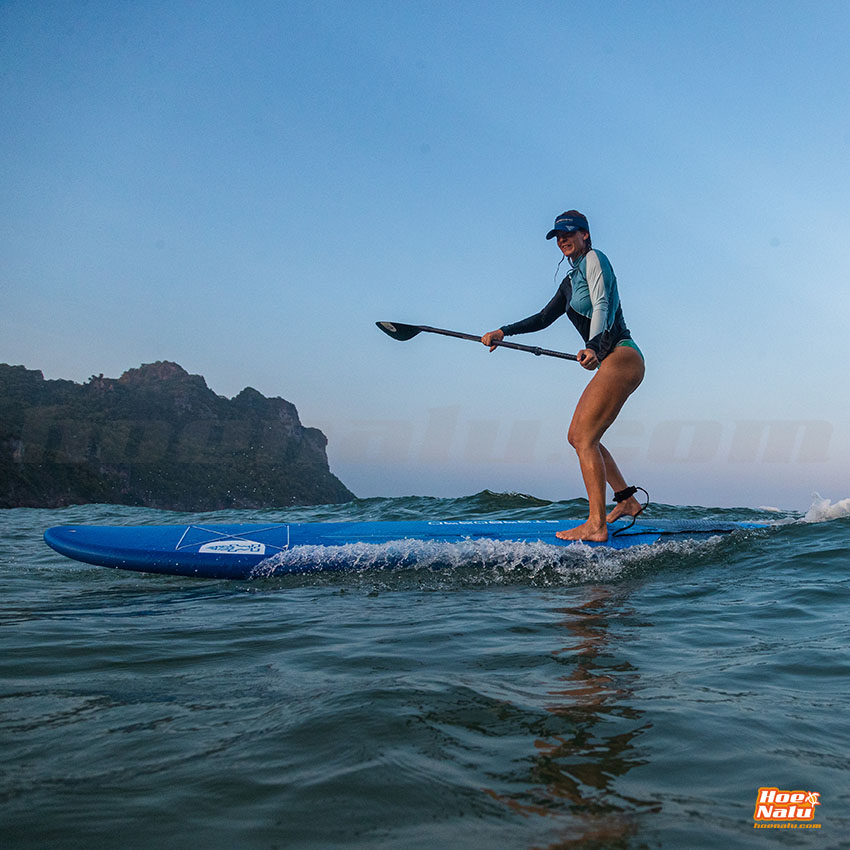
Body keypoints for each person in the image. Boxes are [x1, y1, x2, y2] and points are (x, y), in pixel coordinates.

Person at [481, 210, 645, 542]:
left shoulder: (595, 259)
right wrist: (504, 331)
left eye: (568, 232)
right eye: (557, 236)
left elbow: (602, 303)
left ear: (585, 234)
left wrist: (594, 347)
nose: (562, 239)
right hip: (610, 360)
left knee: (583, 437)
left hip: (622, 356)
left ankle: (596, 524)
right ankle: (626, 501)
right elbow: (543, 318)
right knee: (581, 437)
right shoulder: (569, 283)